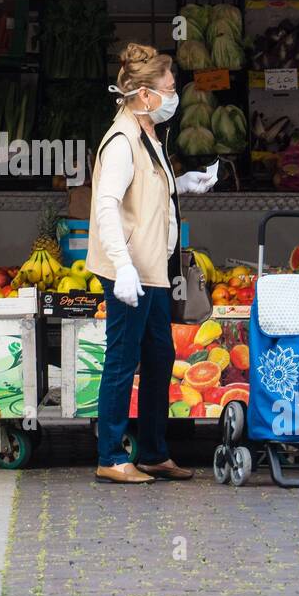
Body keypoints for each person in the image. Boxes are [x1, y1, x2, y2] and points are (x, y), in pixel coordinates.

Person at [85, 43, 217, 484]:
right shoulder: (122, 140)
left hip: (154, 269)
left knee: (160, 357)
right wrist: (121, 267)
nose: (173, 95)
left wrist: (182, 183)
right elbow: (105, 205)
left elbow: (146, 190)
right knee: (122, 360)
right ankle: (110, 457)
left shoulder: (148, 136)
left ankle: (155, 452)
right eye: (169, 88)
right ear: (145, 95)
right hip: (132, 273)